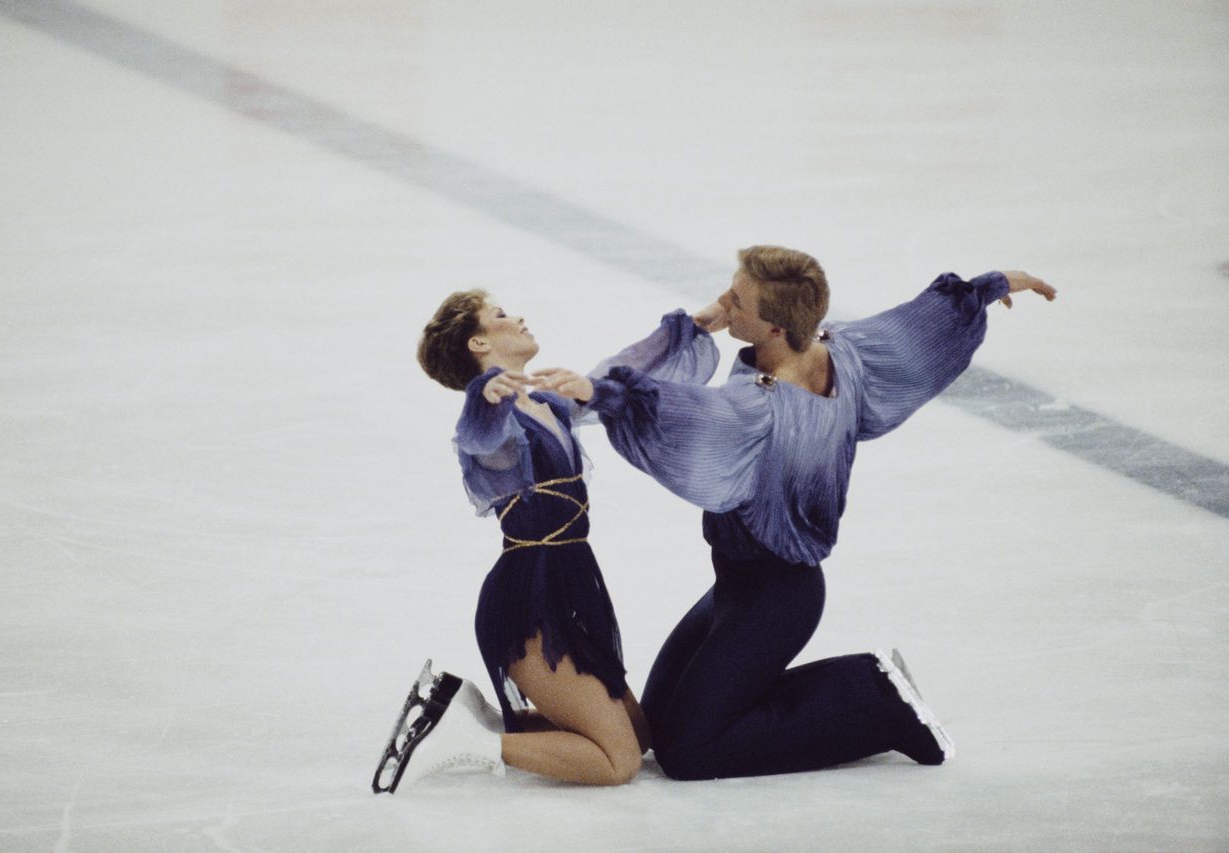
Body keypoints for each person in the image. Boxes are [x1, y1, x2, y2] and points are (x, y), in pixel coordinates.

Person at [532, 245, 1057, 780]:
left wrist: (603, 392)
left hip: (777, 598)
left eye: (737, 301)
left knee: (688, 754)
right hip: (737, 589)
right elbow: (915, 328)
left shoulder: (760, 410)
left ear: (776, 328)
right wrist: (988, 287)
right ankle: (843, 692)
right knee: (660, 726)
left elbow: (678, 413)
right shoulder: (842, 351)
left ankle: (876, 697)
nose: (724, 303)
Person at [374, 289, 719, 793]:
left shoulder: (546, 405)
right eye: (500, 316)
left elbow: (612, 374)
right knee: (616, 762)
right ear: (478, 343)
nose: (517, 317)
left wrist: (691, 327)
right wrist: (484, 396)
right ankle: (460, 741)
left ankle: (482, 720)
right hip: (529, 604)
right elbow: (478, 437)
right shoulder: (498, 427)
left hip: (572, 589)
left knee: (640, 736)